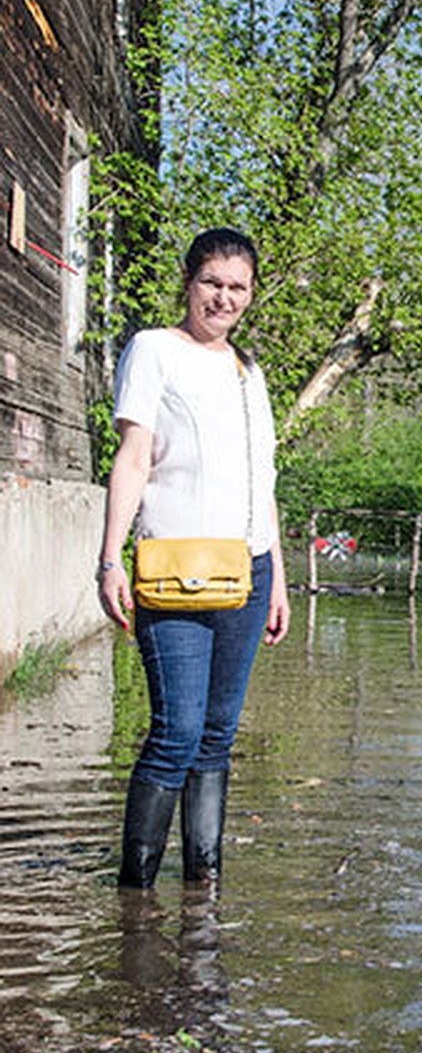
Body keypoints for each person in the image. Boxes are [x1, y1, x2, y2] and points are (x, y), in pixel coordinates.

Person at [97, 227, 290, 892]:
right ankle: (137, 892)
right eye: (212, 282)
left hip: (247, 570)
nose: (223, 298)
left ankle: (203, 886)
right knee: (175, 733)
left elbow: (259, 481)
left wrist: (279, 580)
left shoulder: (250, 372)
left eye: (238, 287)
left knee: (215, 737)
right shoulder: (153, 350)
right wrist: (110, 558)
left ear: (251, 294)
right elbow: (133, 456)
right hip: (170, 569)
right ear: (189, 281)